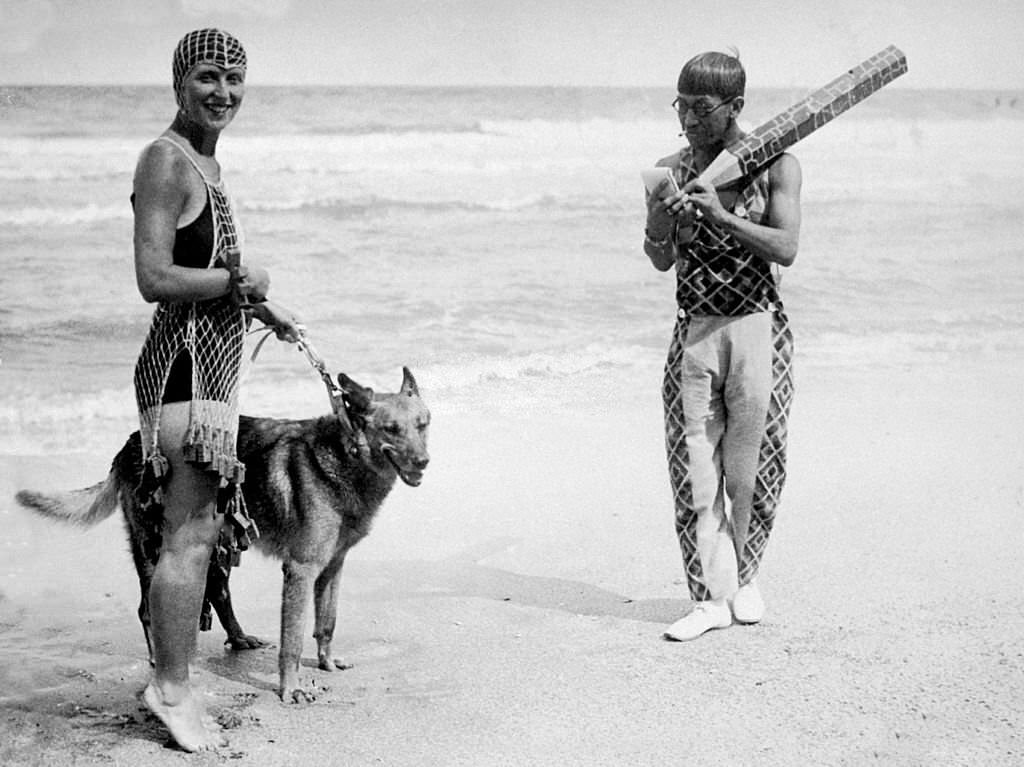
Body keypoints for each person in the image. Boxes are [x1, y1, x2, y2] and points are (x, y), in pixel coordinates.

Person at [131, 28, 301, 750]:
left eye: (235, 79)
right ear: (179, 81)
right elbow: (154, 278)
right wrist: (243, 280)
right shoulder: (167, 162)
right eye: (207, 76)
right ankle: (171, 686)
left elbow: (207, 280)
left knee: (193, 535)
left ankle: (173, 674)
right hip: (183, 377)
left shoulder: (208, 163)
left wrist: (264, 308)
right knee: (189, 539)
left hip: (209, 374)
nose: (222, 92)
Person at [643, 51, 801, 642]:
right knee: (692, 466)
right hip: (695, 329)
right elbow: (660, 258)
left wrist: (721, 216)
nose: (687, 118)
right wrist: (662, 222)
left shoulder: (778, 165)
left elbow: (785, 248)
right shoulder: (669, 169)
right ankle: (708, 598)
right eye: (680, 105)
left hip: (759, 326)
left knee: (755, 463)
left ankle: (748, 575)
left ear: (736, 107)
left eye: (701, 108)